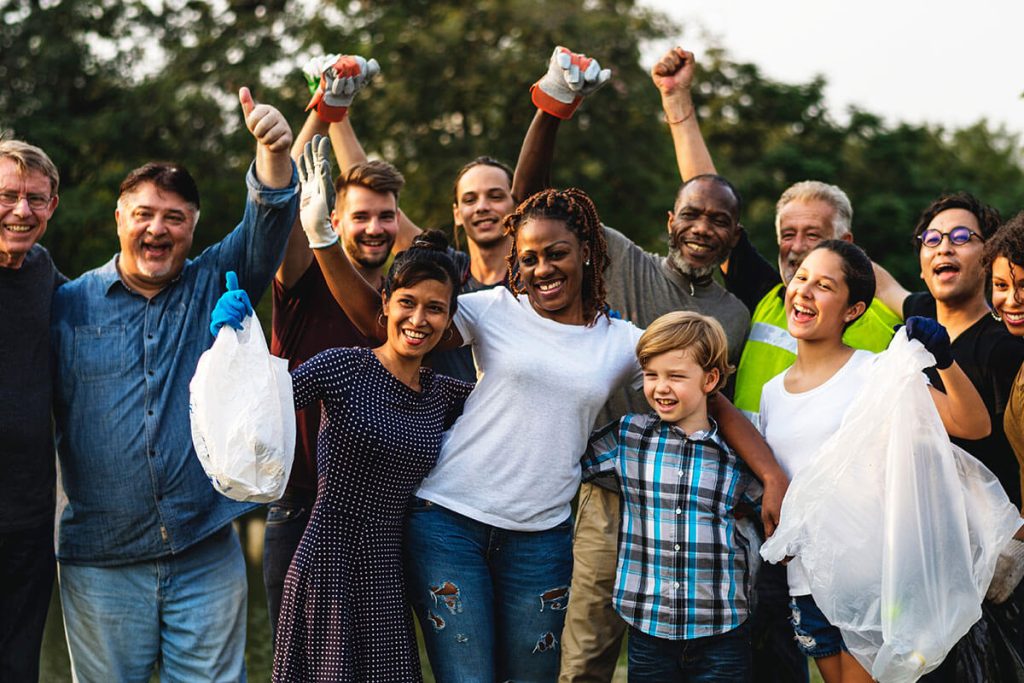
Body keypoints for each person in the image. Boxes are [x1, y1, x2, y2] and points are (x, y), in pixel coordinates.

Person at [513, 46, 787, 682]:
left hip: (691, 496)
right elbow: (532, 204)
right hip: (612, 488)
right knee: (585, 653)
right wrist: (553, 106)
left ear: (733, 236)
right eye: (691, 214)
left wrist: (770, 473)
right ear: (671, 220)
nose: (703, 227)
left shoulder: (737, 314)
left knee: (684, 655)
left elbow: (718, 400)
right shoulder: (623, 262)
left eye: (720, 221)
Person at [50, 88, 298, 680]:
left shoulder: (215, 278)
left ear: (193, 226)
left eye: (174, 218)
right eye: (144, 214)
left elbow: (267, 217)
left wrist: (271, 151)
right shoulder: (64, 305)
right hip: (99, 558)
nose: (158, 229)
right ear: (120, 219)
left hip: (203, 547)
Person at [211, 233, 473, 682]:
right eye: (407, 302)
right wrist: (234, 340)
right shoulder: (343, 366)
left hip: (389, 571)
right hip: (328, 561)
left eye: (435, 308)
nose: (418, 319)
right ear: (386, 303)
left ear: (449, 319)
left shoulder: (443, 395)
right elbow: (257, 407)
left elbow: (513, 407)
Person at [759, 240, 990, 683]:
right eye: (802, 278)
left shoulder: (876, 373)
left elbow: (973, 424)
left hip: (872, 584)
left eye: (824, 285)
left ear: (853, 309)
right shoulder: (772, 392)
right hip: (806, 587)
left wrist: (944, 361)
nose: (804, 291)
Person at [265, 53, 414, 637]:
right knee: (297, 662)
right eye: (360, 218)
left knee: (378, 661)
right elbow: (283, 191)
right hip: (301, 502)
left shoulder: (407, 303)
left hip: (384, 514)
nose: (375, 228)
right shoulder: (304, 278)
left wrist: (340, 115)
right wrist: (324, 110)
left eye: (386, 216)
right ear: (333, 219)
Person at [583, 311, 760, 682]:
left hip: (721, 626)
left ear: (710, 379)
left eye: (676, 376)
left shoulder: (736, 452)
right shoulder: (629, 437)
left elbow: (768, 508)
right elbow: (567, 461)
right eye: (651, 376)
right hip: (649, 625)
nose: (660, 387)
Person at [0, 139, 64, 682]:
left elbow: (108, 318)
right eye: (6, 196)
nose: (21, 211)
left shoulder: (44, 272)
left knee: (19, 667)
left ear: (52, 206)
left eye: (34, 199)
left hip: (27, 518)